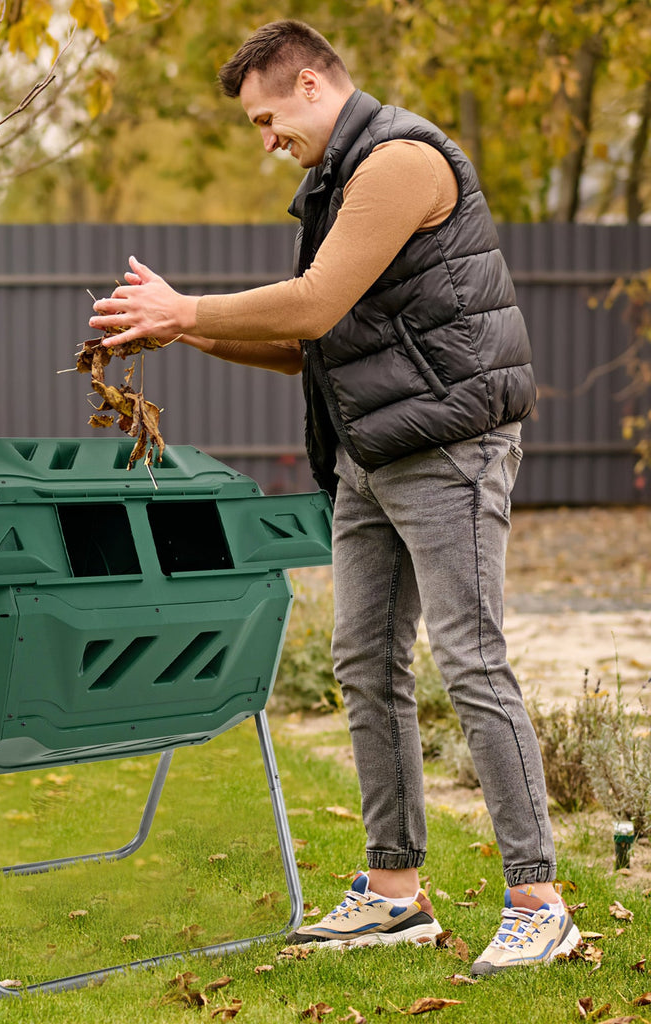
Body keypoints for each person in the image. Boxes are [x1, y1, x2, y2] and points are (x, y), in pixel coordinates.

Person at [89, 19, 579, 976]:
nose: (265, 138)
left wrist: (187, 311)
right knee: (364, 664)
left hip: (450, 444)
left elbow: (312, 304)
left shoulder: (398, 161)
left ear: (312, 83)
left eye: (269, 117)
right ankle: (395, 894)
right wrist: (183, 331)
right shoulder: (335, 183)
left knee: (471, 661)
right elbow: (310, 344)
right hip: (371, 455)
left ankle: (539, 899)